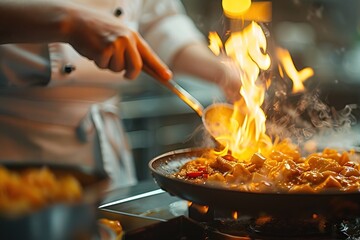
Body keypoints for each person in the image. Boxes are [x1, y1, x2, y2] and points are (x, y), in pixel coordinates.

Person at [0, 1, 241, 189]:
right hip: (17, 150)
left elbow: (160, 21)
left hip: (108, 151)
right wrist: (69, 23)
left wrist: (219, 71)